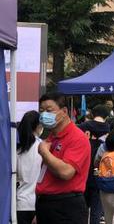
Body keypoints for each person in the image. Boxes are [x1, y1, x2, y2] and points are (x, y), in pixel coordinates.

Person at [35, 93, 91, 224]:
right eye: (41, 111)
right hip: (46, 205)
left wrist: (44, 153)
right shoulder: (51, 137)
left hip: (66, 206)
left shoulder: (77, 137)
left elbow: (66, 172)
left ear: (64, 111)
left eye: (49, 110)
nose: (43, 115)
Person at [78, 104, 111, 224]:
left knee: (82, 207)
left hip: (82, 170)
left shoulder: (83, 126)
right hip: (101, 171)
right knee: (96, 208)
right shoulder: (110, 129)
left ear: (92, 114)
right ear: (106, 116)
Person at [16, 110, 42, 224]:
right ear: (38, 126)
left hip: (18, 204)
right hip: (37, 204)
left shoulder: (16, 148)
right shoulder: (43, 147)